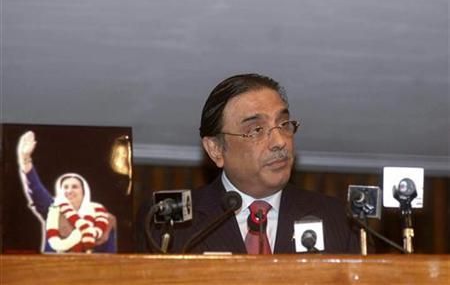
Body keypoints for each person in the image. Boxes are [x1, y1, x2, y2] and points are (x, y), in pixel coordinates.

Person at [148, 73, 359, 254]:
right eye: (256, 130)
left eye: (284, 124)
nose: (280, 142)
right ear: (216, 149)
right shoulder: (169, 224)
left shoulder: (339, 220)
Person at [17, 131, 116, 253]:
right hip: (52, 270)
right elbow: (35, 189)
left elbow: (110, 255)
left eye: (75, 186)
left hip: (92, 270)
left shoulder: (103, 217)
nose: (69, 190)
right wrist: (25, 159)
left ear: (84, 192)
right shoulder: (52, 208)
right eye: (65, 187)